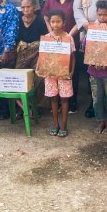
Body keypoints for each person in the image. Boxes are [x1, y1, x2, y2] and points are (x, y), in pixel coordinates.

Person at [42, 0, 80, 112]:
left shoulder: (75, 0)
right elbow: (46, 17)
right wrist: (52, 33)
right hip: (54, 41)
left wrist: (67, 36)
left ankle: (71, 103)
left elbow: (79, 20)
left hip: (70, 38)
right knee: (55, 69)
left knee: (70, 70)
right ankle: (56, 103)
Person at [37, 9, 75, 138]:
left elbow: (73, 57)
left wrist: (71, 72)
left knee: (64, 99)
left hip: (64, 75)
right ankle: (55, 124)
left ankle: (64, 125)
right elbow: (43, 57)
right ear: (50, 23)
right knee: (53, 98)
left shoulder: (68, 38)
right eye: (53, 22)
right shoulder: (47, 38)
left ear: (64, 22)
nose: (55, 24)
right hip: (50, 74)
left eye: (58, 21)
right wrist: (40, 69)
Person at [86, 0, 107, 136]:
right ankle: (100, 121)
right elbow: (86, 46)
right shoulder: (92, 29)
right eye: (100, 15)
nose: (102, 18)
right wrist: (91, 60)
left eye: (105, 15)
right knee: (97, 98)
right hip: (93, 71)